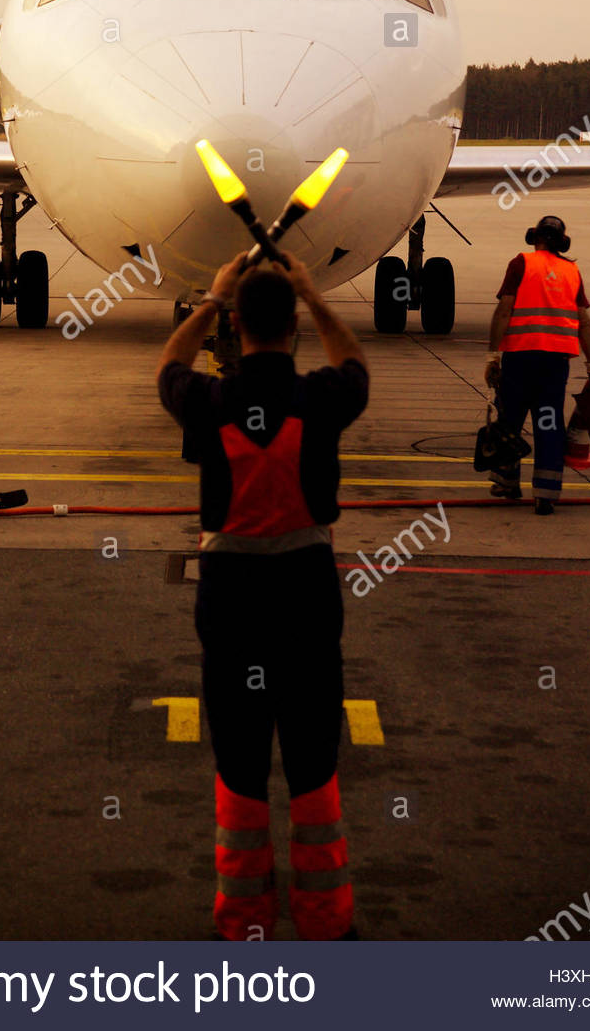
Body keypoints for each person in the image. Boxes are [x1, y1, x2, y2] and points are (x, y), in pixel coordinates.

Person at [157, 250, 369, 941]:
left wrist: (211, 302)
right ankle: (327, 921)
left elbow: (168, 369)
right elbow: (356, 366)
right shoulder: (319, 399)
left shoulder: (211, 402)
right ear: (293, 326)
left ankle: (243, 920)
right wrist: (315, 294)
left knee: (241, 768)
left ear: (238, 325)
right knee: (313, 766)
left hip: (232, 605)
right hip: (307, 603)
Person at [484, 214, 590, 515]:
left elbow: (504, 311)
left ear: (533, 237)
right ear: (562, 242)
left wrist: (493, 356)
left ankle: (506, 482)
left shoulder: (521, 263)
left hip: (520, 360)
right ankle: (546, 494)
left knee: (509, 420)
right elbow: (584, 324)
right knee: (548, 425)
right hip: (554, 365)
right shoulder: (571, 271)